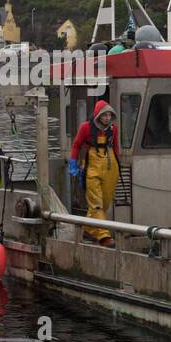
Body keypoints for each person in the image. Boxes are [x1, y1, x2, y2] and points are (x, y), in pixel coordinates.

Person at [69, 100, 120, 246]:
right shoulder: (85, 127)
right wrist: (73, 163)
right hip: (92, 167)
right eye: (104, 115)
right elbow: (76, 145)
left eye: (109, 115)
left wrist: (118, 165)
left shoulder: (114, 129)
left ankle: (88, 230)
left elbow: (115, 147)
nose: (107, 118)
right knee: (96, 203)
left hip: (110, 167)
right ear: (98, 115)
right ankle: (104, 237)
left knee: (105, 202)